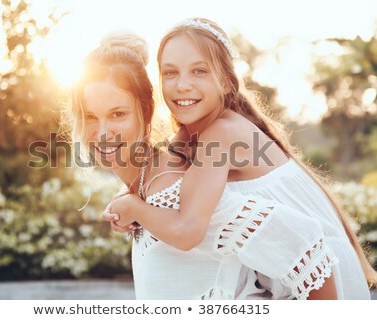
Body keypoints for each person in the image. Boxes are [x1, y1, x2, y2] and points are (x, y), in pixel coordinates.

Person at [104, 18, 375, 300]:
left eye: (199, 71)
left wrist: (133, 208)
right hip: (294, 272)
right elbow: (155, 172)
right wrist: (122, 201)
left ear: (225, 80)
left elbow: (188, 230)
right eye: (170, 73)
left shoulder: (222, 132)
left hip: (318, 276)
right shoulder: (193, 132)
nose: (182, 85)